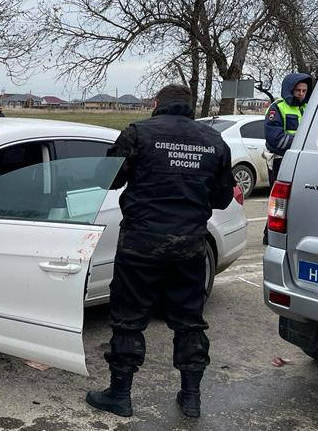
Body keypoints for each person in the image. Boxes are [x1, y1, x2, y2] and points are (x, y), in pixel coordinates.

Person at [85, 84, 234, 418]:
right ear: (189, 105)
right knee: (189, 321)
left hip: (141, 243)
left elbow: (106, 179)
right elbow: (222, 198)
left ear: (157, 104)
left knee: (129, 319)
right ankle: (191, 398)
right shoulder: (214, 141)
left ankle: (120, 395)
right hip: (189, 245)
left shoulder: (138, 133)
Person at [262, 73, 312, 244]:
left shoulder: (308, 108)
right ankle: (269, 235)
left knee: (295, 200)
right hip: (280, 159)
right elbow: (275, 138)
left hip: (300, 159)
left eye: (304, 90)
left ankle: (281, 232)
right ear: (290, 90)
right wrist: (303, 142)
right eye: (298, 90)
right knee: (278, 201)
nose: (301, 93)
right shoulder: (278, 108)